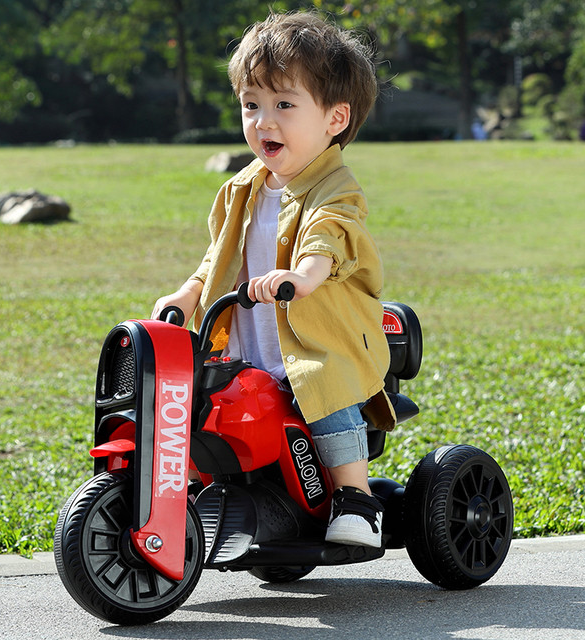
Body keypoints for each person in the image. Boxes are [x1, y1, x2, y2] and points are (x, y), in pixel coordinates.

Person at [151, 11, 395, 548]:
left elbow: (330, 239)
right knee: (205, 402)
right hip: (248, 343)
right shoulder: (242, 187)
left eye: (285, 105)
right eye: (251, 105)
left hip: (316, 336)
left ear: (335, 118)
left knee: (323, 392)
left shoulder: (335, 188)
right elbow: (219, 257)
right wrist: (189, 293)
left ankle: (357, 498)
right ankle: (206, 489)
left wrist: (304, 275)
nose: (265, 122)